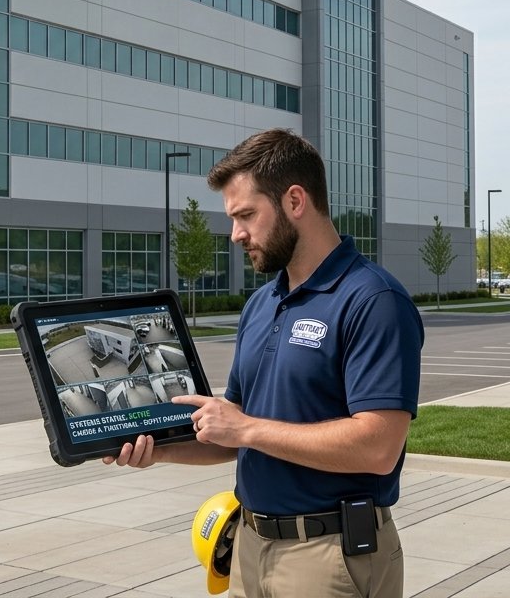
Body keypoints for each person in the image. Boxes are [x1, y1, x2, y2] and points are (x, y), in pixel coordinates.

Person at [105, 128, 423, 598]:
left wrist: (246, 429)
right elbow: (235, 433)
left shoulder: (373, 299)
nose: (236, 234)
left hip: (329, 556)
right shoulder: (262, 304)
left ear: (295, 201)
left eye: (246, 215)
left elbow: (379, 447)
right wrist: (160, 449)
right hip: (249, 549)